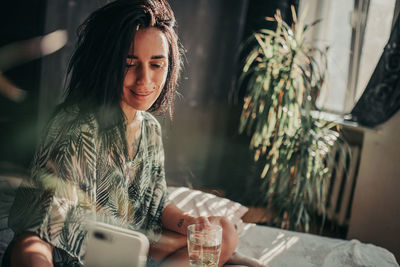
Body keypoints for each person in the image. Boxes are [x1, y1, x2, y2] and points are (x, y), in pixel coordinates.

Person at [6, 0, 238, 266]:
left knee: (223, 232)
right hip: (77, 255)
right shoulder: (76, 128)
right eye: (130, 63)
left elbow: (157, 205)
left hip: (131, 248)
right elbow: (38, 232)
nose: (145, 79)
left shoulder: (149, 129)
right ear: (107, 63)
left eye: (156, 64)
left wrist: (191, 223)